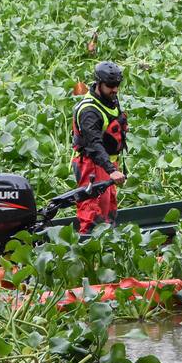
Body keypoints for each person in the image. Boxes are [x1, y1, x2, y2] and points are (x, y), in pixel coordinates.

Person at [71, 60, 128, 233]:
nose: (115, 89)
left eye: (117, 85)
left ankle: (109, 246)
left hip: (107, 164)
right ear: (99, 84)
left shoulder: (110, 98)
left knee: (109, 209)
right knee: (92, 212)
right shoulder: (89, 111)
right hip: (92, 165)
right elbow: (94, 145)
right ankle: (89, 249)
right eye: (111, 86)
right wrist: (111, 169)